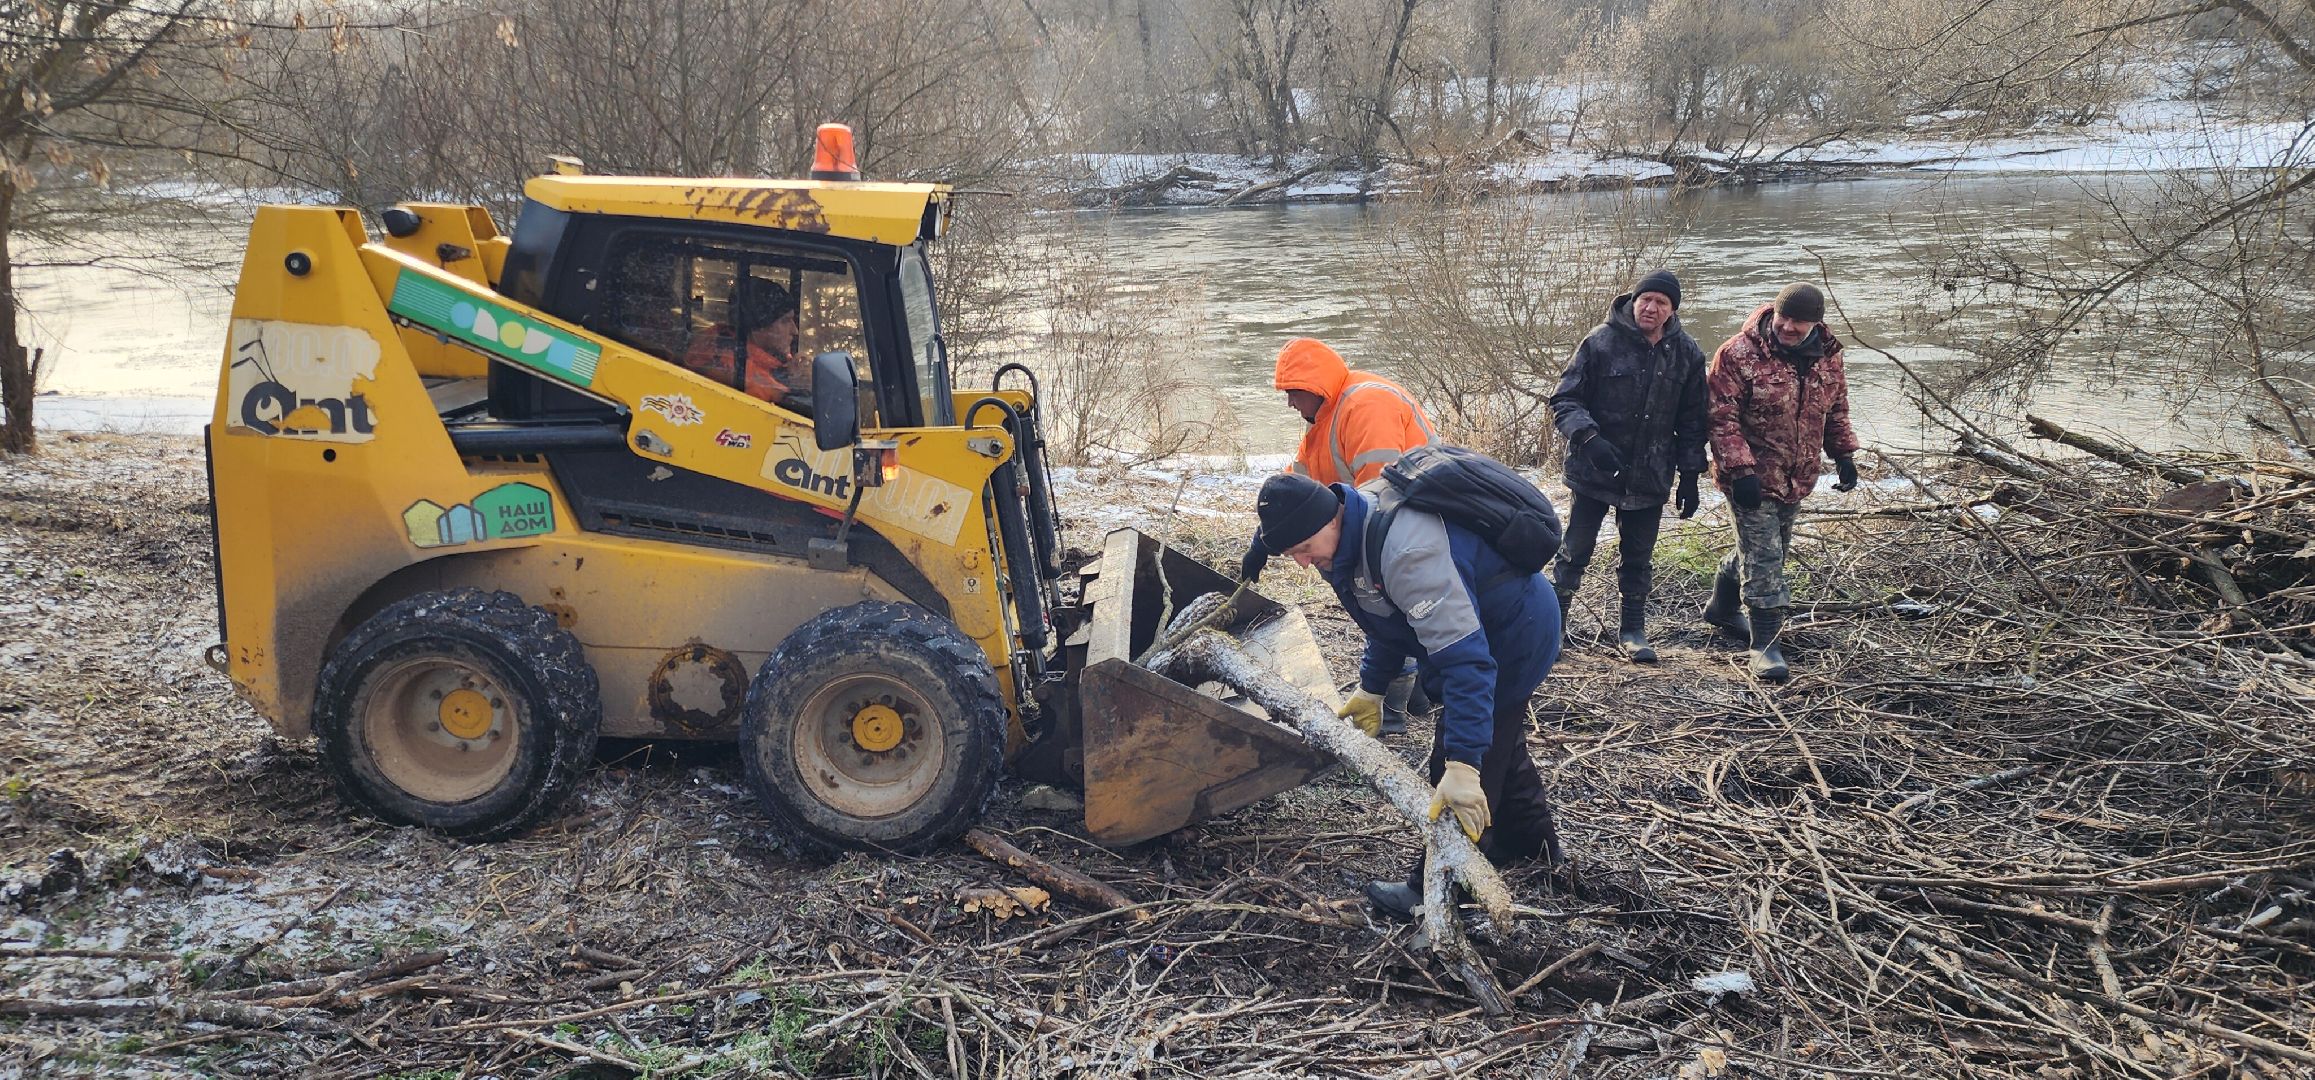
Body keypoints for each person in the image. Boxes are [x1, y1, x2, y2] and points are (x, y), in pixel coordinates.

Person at [1250, 471, 1565, 921]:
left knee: (1460, 768)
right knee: (1502, 747)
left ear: (1331, 518)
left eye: (1303, 548)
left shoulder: (1408, 554)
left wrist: (1462, 763)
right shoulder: (1344, 534)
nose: (1302, 562)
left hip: (1513, 635)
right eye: (1290, 554)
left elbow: (1467, 664)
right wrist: (1372, 687)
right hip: (1486, 629)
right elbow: (1388, 618)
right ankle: (1534, 847)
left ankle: (1440, 892)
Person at [1244, 338, 1438, 734]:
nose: (1290, 403)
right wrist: (1263, 540)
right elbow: (1296, 490)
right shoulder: (1324, 421)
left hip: (1415, 520)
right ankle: (1417, 692)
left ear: (1314, 386)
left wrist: (1355, 559)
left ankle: (1393, 711)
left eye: (1293, 392)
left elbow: (1382, 493)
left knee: (1387, 603)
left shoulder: (1365, 406)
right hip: (1387, 519)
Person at [1547, 269, 1709, 664]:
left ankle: (1633, 630)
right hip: (1594, 469)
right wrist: (1589, 440)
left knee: (1638, 557)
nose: (1650, 307)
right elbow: (1564, 400)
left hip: (1650, 474)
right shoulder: (1599, 341)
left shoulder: (1687, 353)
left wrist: (1690, 476)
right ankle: (1553, 627)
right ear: (1634, 301)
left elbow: (1693, 421)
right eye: (1645, 299)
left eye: (1661, 302)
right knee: (1574, 551)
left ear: (1672, 311)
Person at [1703, 282, 1862, 682]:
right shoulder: (1737, 354)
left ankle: (1721, 608)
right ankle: (1764, 644)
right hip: (1749, 478)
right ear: (1773, 313)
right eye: (1784, 317)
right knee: (1766, 557)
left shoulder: (1828, 355)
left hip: (1797, 475)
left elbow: (1836, 408)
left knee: (1767, 550)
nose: (1789, 327)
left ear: (1815, 324)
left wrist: (1843, 455)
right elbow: (1720, 418)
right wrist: (1741, 470)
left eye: (1799, 322)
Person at [683, 277, 806, 410]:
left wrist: (787, 373)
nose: (795, 331)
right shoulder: (735, 369)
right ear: (758, 326)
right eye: (785, 321)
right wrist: (800, 385)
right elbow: (786, 408)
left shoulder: (726, 344)